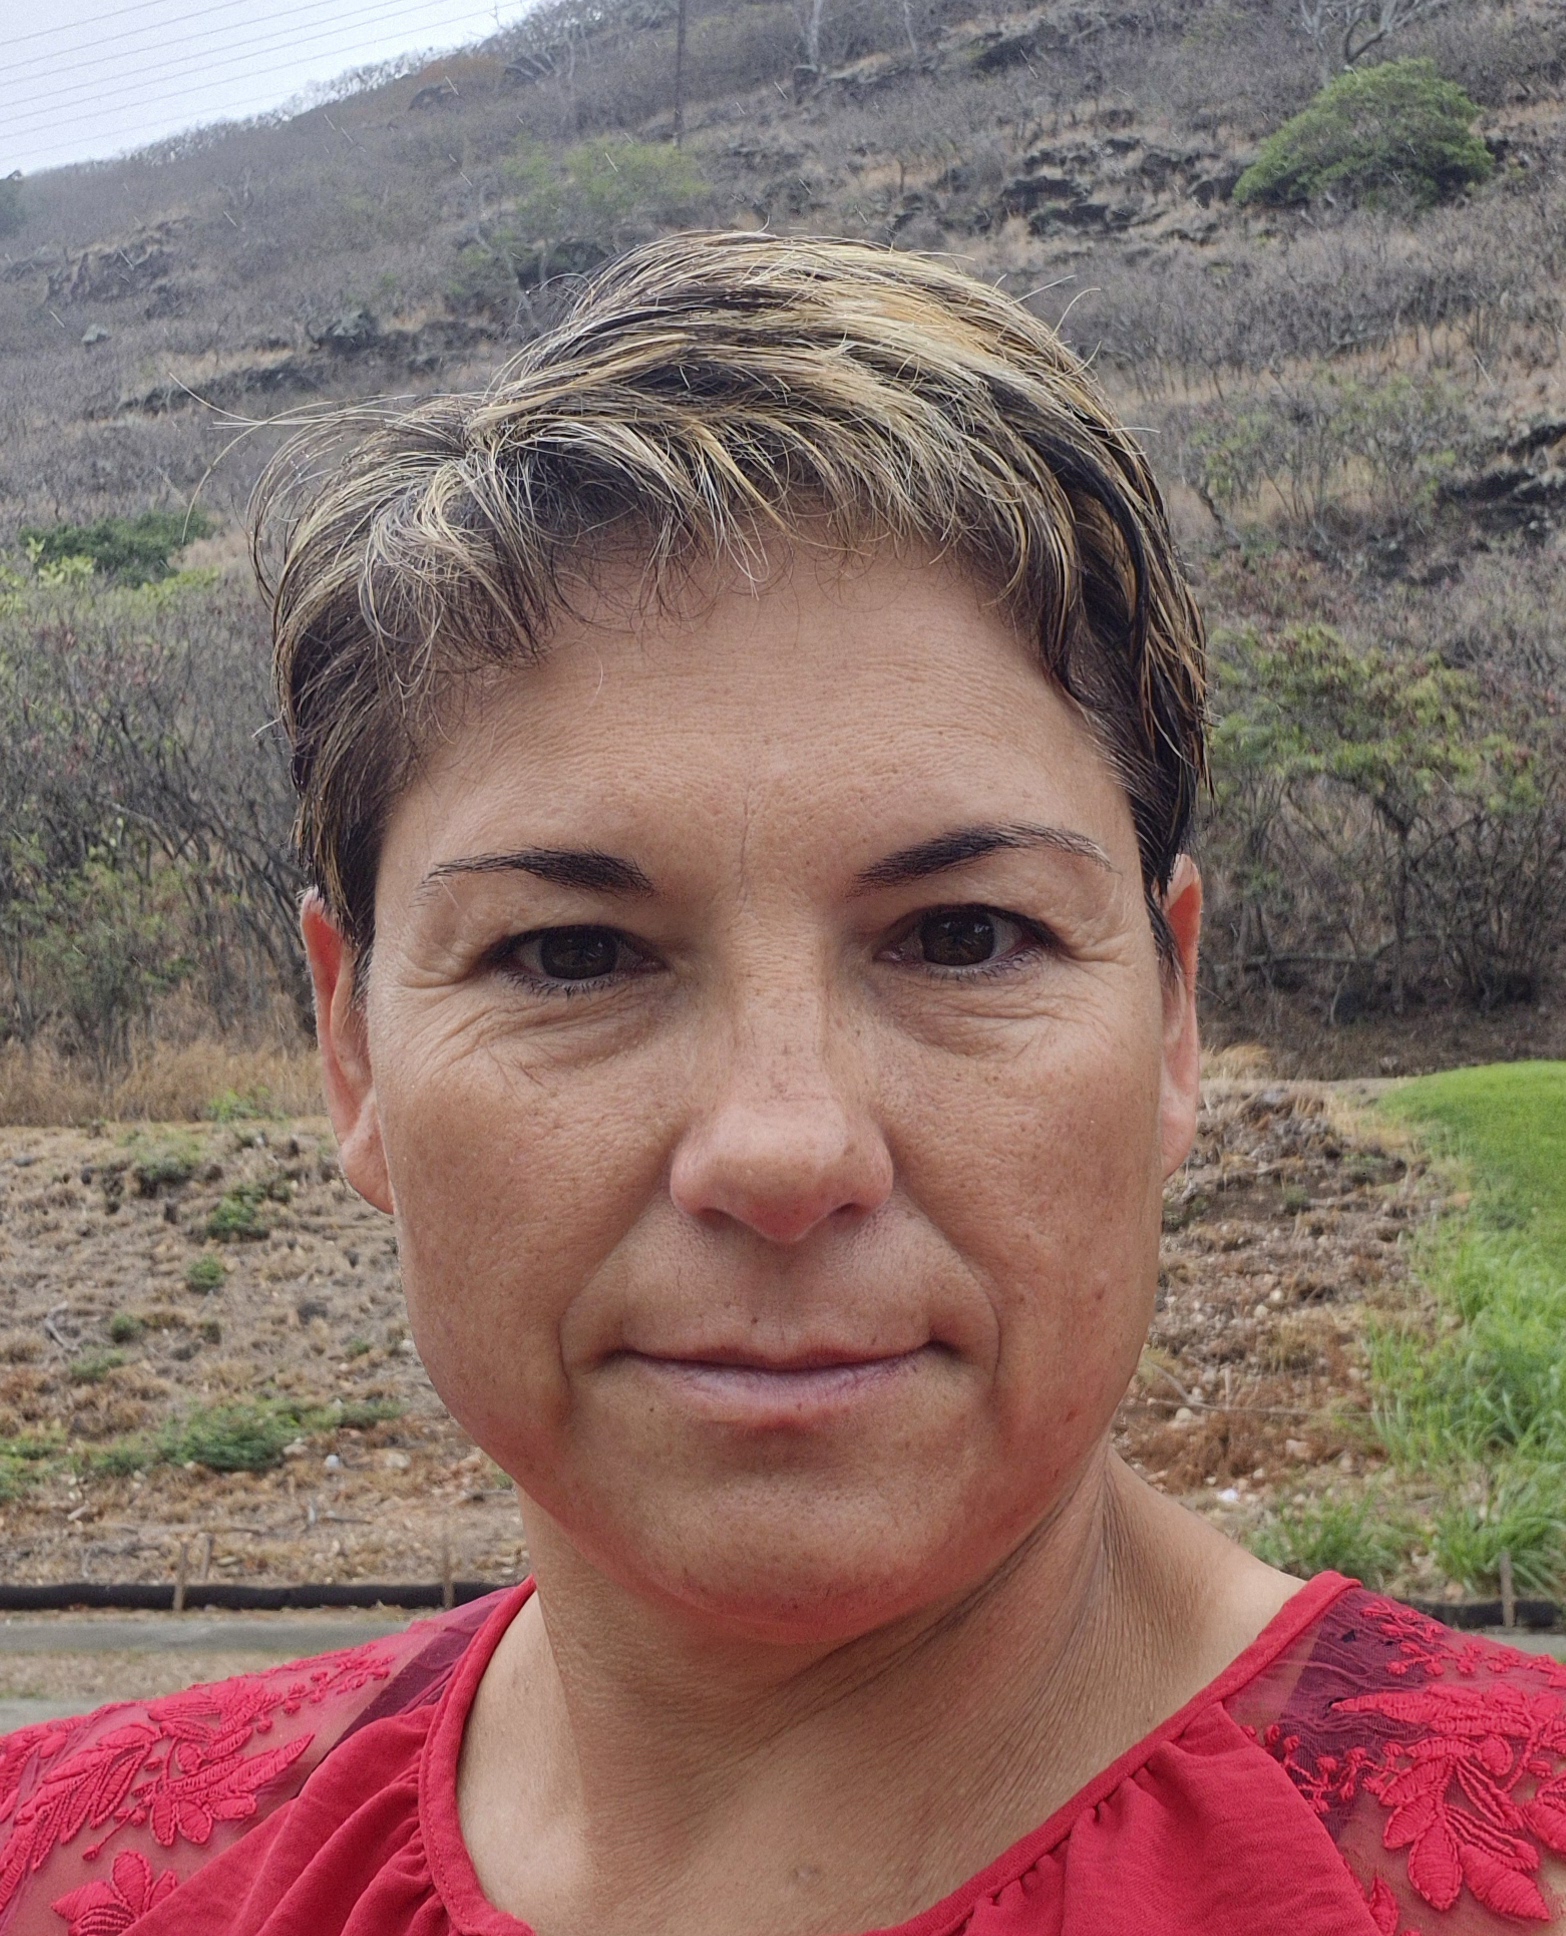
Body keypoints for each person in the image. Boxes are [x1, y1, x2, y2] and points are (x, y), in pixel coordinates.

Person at [1, 232, 1560, 1936]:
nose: (782, 1148)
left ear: (1174, 1016)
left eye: (962, 936)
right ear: (353, 1047)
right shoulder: (74, 1871)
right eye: (571, 955)